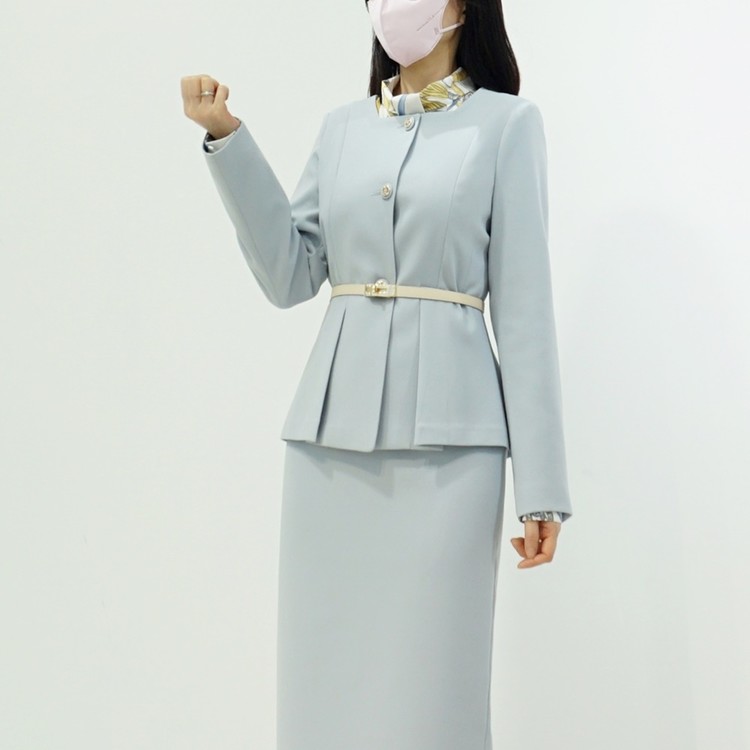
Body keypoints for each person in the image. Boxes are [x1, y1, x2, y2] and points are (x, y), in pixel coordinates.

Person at [181, 0, 573, 746]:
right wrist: (227, 138)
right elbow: (290, 275)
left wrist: (543, 487)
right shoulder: (341, 129)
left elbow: (525, 309)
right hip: (329, 449)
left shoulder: (508, 125)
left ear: (463, 6)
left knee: (436, 686)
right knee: (323, 682)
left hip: (451, 453)